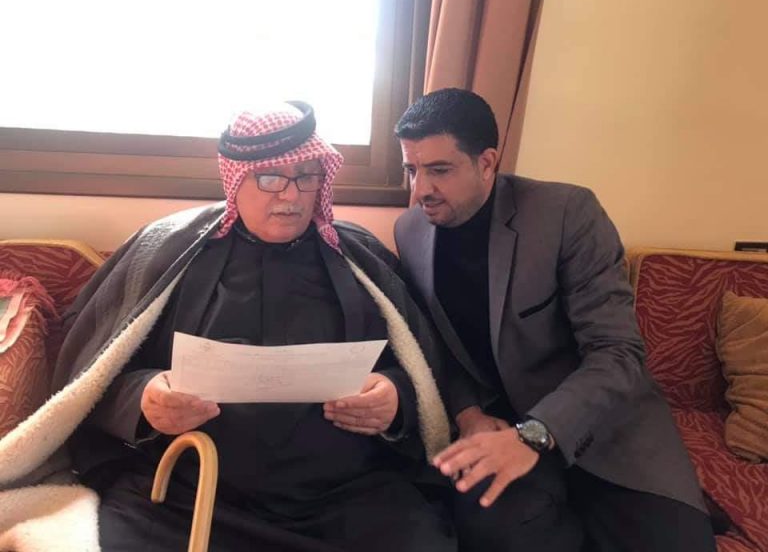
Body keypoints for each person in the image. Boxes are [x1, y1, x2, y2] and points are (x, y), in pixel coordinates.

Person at [2, 102, 457, 551]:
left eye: (306, 176)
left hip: (346, 499)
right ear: (235, 178)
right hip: (188, 495)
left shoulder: (361, 258)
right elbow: (89, 376)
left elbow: (423, 372)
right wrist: (143, 401)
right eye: (271, 178)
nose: (292, 196)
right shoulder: (165, 252)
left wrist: (396, 399)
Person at [393, 88, 717, 552]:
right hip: (497, 428)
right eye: (412, 169)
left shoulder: (565, 214)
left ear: (487, 162)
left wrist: (536, 433)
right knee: (492, 534)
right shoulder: (410, 232)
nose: (420, 190)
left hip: (603, 427)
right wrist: (469, 415)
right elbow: (435, 345)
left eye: (439, 170)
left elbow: (618, 352)